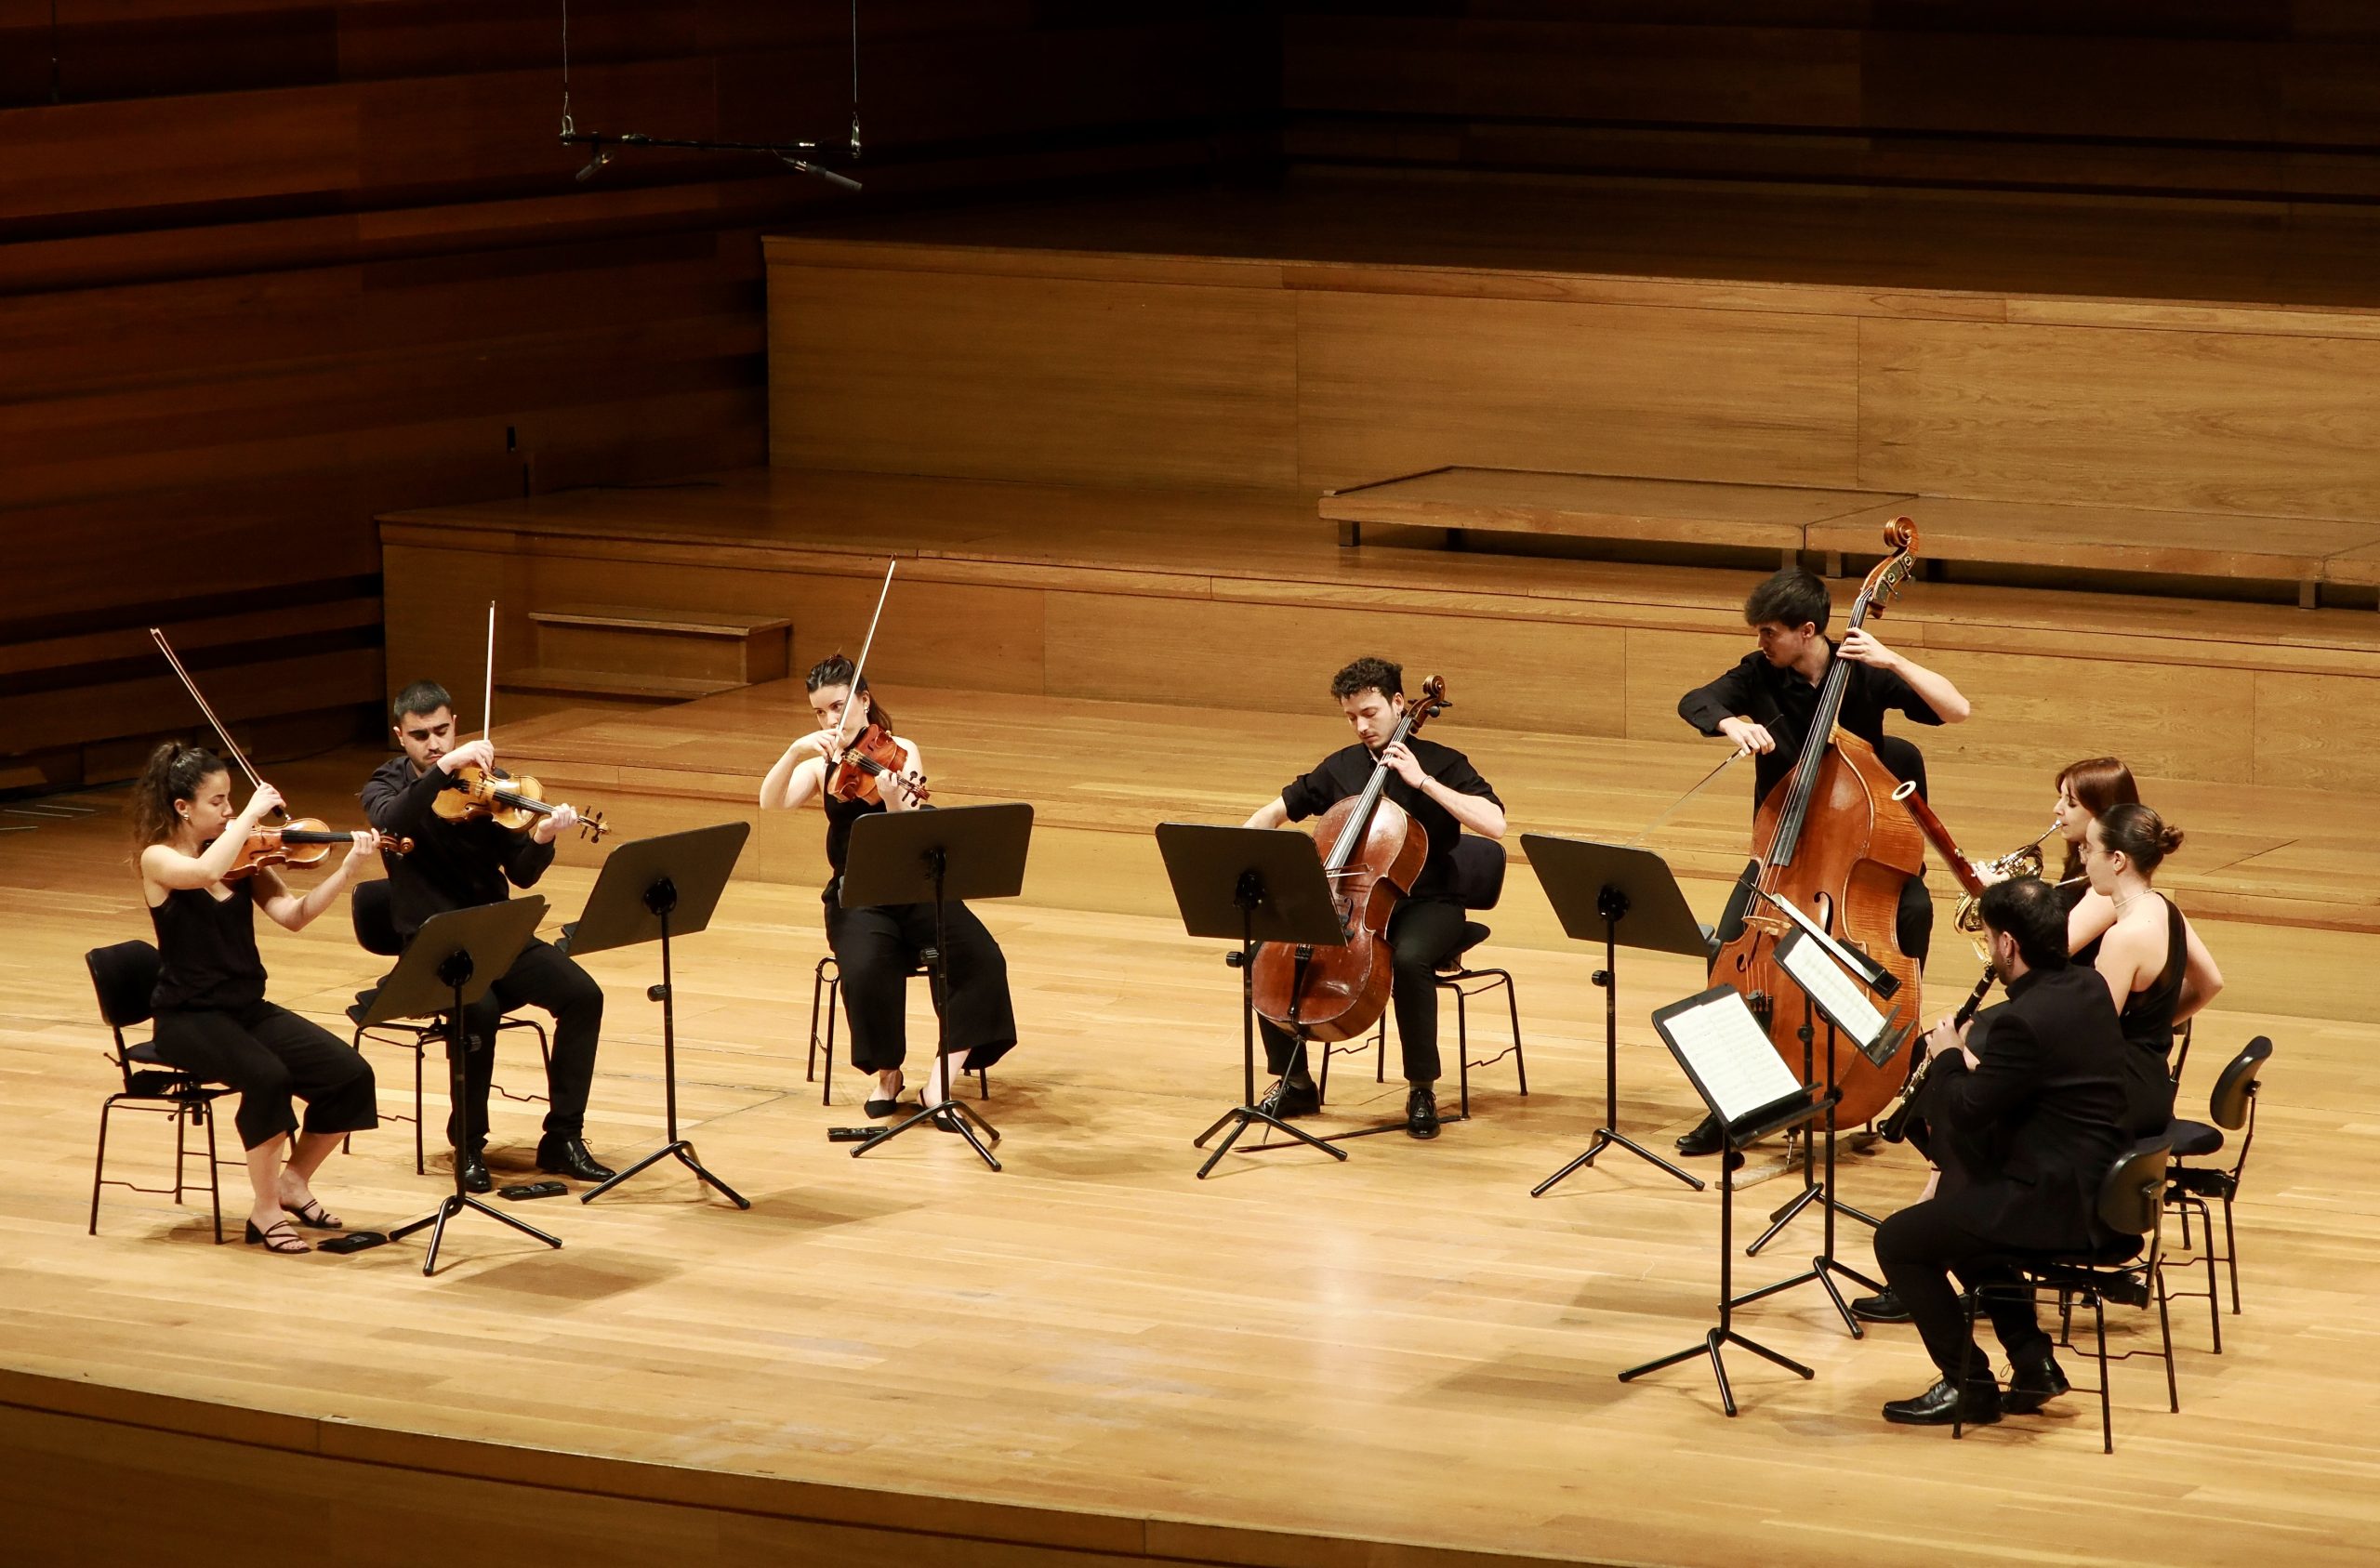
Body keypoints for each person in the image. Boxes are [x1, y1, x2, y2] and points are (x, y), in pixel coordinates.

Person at [1673, 566, 1972, 1154]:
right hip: (1782, 858)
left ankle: (1896, 1064)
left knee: (1912, 913)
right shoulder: (1760, 673)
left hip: (1860, 860)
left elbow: (1956, 709)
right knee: (1726, 951)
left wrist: (1892, 660)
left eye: (1770, 632)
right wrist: (1731, 722)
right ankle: (1731, 1103)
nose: (1761, 641)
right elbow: (1696, 700)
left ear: (1807, 631)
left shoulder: (1862, 671)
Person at [1869, 876, 2133, 1426]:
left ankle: (1968, 1384)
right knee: (1961, 1211)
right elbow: (2035, 1084)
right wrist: (1978, 1067)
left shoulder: (2021, 1020)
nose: (1990, 950)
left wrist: (1947, 1056)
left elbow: (1967, 1112)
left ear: (2009, 944)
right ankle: (2034, 1365)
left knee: (1898, 1241)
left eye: (1989, 939)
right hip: (2099, 1186)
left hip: (2053, 1203)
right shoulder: (2088, 988)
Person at [362, 681, 614, 1192]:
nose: (434, 743)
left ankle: (563, 1138)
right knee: (478, 1010)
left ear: (455, 724)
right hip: (434, 945)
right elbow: (393, 819)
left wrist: (542, 836)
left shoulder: (488, 784)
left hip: (497, 933)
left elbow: (521, 874)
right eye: (420, 736)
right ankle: (469, 1145)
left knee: (583, 995)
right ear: (400, 736)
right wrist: (446, 768)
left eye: (442, 731)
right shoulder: (385, 786)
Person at [1242, 656, 1506, 1140]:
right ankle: (1296, 1083)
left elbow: (1495, 824)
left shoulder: (1444, 762)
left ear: (1399, 703)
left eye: (1369, 713)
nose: (1361, 727)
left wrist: (1423, 782)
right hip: (1350, 902)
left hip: (1430, 903)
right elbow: (1272, 813)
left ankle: (1421, 1088)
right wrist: (1244, 850)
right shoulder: (1341, 767)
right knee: (1262, 955)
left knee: (1409, 961)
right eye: (1351, 718)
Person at [131, 744, 379, 1255]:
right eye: (218, 802)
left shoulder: (243, 859)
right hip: (188, 1018)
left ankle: (293, 1182)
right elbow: (203, 874)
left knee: (350, 1075)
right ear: (183, 808)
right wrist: (248, 815)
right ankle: (265, 1210)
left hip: (246, 1010)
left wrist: (348, 869)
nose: (228, 810)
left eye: (231, 800)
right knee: (268, 1077)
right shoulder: (158, 858)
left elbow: (294, 915)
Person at [760, 656, 1016, 1119]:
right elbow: (771, 802)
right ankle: (888, 1075)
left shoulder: (901, 751)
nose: (831, 720)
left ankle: (939, 1084)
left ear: (864, 700)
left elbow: (909, 830)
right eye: (820, 712)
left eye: (838, 707)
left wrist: (896, 799)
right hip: (856, 896)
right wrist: (794, 752)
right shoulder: (821, 765)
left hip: (915, 889)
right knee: (865, 967)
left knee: (981, 959)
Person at [2081, 803, 2223, 1137]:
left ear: (2117, 860)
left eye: (2088, 848)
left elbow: (2093, 1037)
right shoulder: (2167, 910)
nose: (2084, 858)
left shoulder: (2123, 938)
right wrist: (2152, 1028)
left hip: (2119, 1099)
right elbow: (2211, 983)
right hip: (2154, 1088)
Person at [2047, 756, 2140, 966]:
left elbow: (2049, 952)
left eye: (2071, 803)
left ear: (2104, 812)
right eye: (2060, 798)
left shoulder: (2111, 886)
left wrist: (2007, 901)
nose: (2057, 808)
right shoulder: (2080, 861)